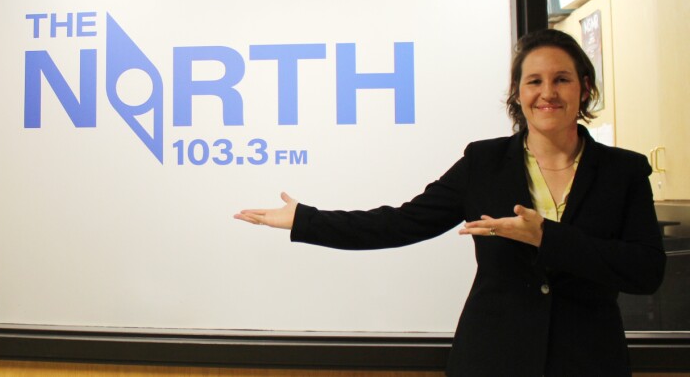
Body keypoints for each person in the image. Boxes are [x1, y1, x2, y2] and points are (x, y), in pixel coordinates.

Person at [235, 29, 665, 377]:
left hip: (589, 361)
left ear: (584, 88)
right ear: (517, 93)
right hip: (493, 359)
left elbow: (646, 271)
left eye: (561, 79)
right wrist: (304, 220)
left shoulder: (623, 171)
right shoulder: (485, 163)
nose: (547, 93)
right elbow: (401, 223)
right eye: (534, 81)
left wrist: (546, 237)